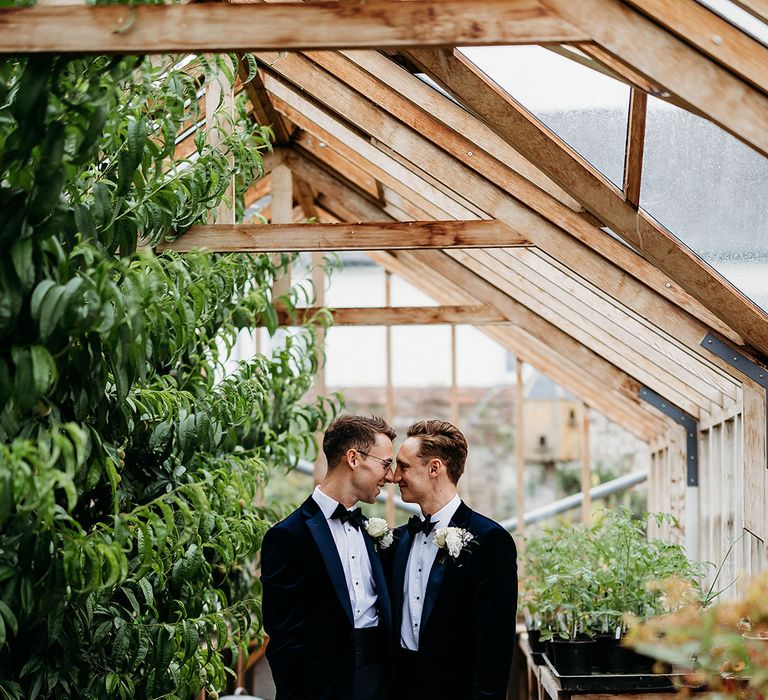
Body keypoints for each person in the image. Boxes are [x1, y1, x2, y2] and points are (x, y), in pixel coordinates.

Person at [260, 414, 397, 700]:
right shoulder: (288, 535)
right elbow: (284, 637)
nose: (391, 476)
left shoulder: (370, 529)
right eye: (386, 463)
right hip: (323, 686)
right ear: (354, 458)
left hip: (380, 680)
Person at [390, 420, 518, 700]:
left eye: (404, 466)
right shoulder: (399, 540)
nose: (394, 476)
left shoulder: (489, 540)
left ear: (435, 468)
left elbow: (495, 644)